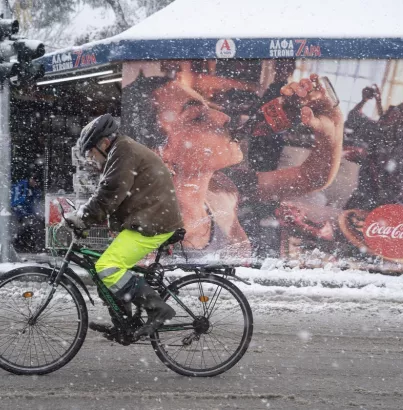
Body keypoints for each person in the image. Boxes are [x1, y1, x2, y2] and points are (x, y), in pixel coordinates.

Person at [121, 71, 344, 262]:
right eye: (197, 117)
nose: (224, 117)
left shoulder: (222, 188)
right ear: (157, 154)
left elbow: (310, 177)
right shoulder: (145, 239)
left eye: (210, 107)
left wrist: (332, 126)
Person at [64, 114, 184, 338]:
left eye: (91, 152)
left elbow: (111, 191)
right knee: (103, 271)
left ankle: (158, 309)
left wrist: (84, 218)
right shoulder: (120, 150)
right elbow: (109, 193)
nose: (91, 158)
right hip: (148, 219)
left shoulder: (123, 151)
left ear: (104, 143)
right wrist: (88, 214)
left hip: (153, 223)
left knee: (107, 268)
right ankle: (124, 324)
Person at [344, 85, 403, 211]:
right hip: (360, 203)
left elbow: (402, 199)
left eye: (400, 108)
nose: (392, 107)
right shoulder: (385, 131)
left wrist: (366, 156)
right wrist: (364, 100)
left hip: (380, 214)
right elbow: (354, 119)